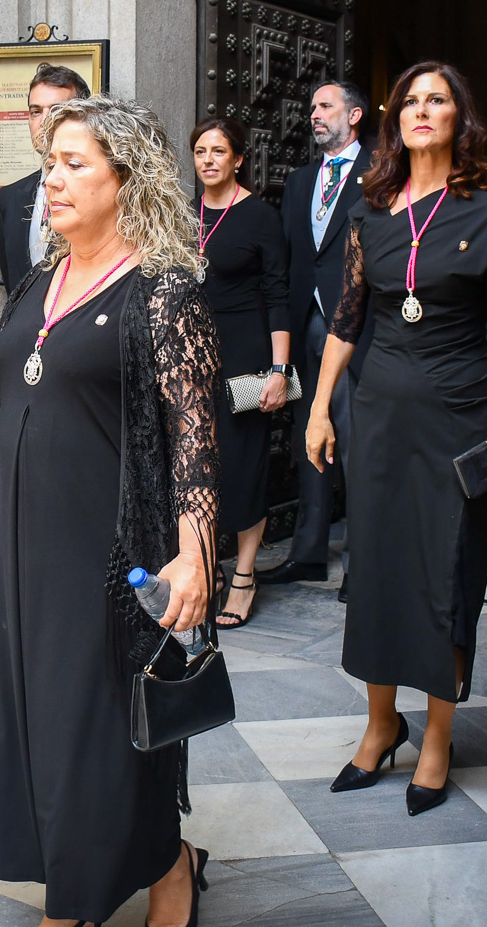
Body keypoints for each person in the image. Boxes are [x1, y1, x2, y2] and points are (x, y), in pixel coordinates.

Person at [0, 96, 221, 927]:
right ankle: (154, 865)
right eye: (49, 163)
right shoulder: (36, 283)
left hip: (109, 558)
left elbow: (196, 439)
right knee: (41, 723)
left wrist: (196, 555)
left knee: (96, 731)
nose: (51, 180)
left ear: (126, 178)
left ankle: (91, 897)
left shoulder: (163, 292)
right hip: (24, 551)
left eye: (73, 164)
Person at [305, 61, 487, 817]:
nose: (421, 110)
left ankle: (438, 736)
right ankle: (381, 725)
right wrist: (319, 407)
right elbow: (346, 318)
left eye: (436, 100)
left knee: (446, 573)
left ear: (458, 117)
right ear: (394, 119)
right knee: (375, 569)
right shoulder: (369, 211)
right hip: (379, 415)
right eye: (410, 101)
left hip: (461, 417)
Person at [268, 79, 371, 593]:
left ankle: (361, 566)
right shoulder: (300, 180)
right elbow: (290, 255)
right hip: (303, 322)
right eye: (311, 107)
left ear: (354, 115)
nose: (314, 114)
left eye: (325, 106)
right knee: (308, 436)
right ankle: (307, 552)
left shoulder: (381, 172)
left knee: (355, 444)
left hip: (356, 326)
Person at [188, 116, 292, 629]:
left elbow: (278, 294)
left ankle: (245, 575)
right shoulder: (184, 215)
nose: (208, 160)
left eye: (218, 151)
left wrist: (279, 369)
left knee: (243, 465)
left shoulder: (259, 217)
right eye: (200, 151)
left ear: (238, 159)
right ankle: (207, 569)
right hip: (192, 359)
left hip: (246, 357)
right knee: (196, 467)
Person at [0, 63, 91, 291]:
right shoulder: (9, 199)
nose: (45, 121)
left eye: (57, 111)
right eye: (36, 111)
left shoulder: (97, 190)